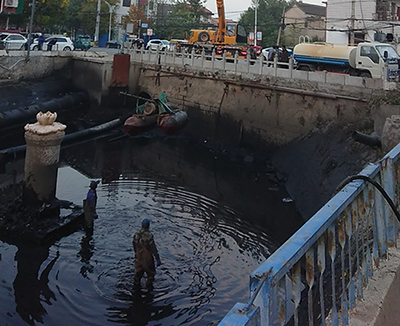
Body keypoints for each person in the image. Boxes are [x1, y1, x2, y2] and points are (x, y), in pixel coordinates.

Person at [132, 218, 161, 287]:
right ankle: (149, 289)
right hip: (147, 260)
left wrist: (137, 254)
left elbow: (134, 246)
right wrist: (157, 259)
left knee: (137, 277)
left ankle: (136, 291)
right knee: (151, 275)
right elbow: (153, 248)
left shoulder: (136, 234)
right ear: (148, 226)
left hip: (138, 259)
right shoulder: (149, 236)